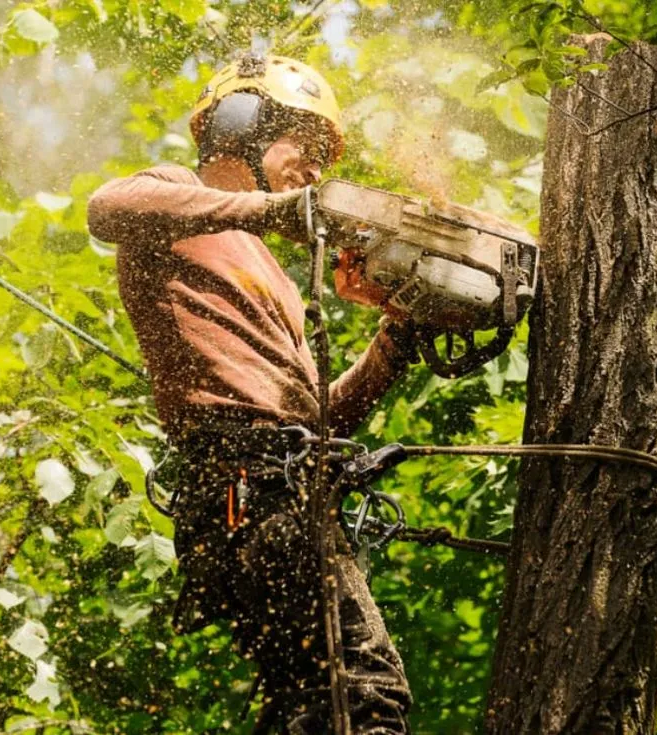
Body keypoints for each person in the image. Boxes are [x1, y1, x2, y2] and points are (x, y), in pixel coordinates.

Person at [87, 53, 414, 733]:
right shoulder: (173, 195)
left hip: (282, 485)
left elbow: (318, 414)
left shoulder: (277, 277)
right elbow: (105, 207)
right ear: (241, 125)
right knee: (362, 689)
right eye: (306, 146)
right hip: (242, 482)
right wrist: (273, 209)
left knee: (311, 701)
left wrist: (397, 335)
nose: (316, 170)